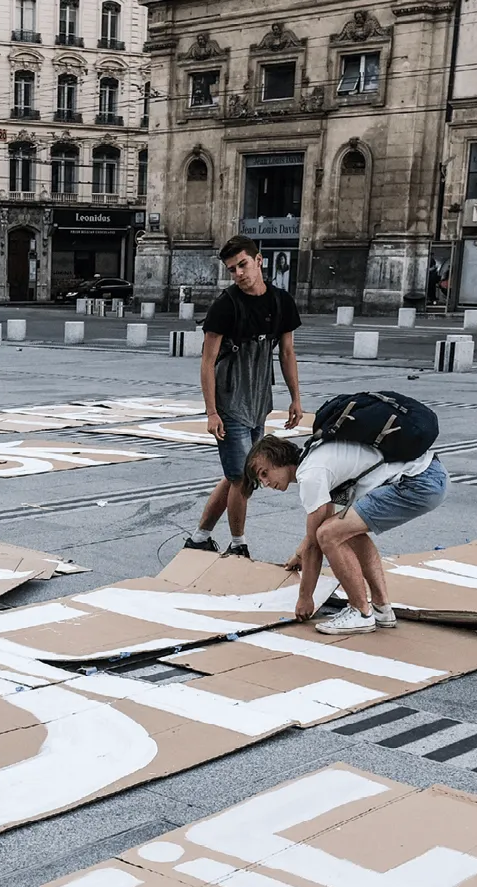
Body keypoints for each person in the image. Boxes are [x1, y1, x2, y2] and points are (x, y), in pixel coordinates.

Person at [245, 431, 449, 635]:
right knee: (343, 531)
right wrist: (299, 555)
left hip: (416, 483)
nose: (265, 483)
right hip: (428, 473)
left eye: (264, 473)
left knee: (328, 534)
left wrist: (305, 597)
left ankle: (360, 612)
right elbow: (322, 523)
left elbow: (317, 542)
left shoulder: (311, 474)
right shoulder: (314, 455)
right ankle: (381, 608)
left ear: (279, 459)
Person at [185, 235, 303, 560]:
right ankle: (238, 545)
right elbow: (207, 361)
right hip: (230, 403)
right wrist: (211, 412)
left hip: (259, 404)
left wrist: (295, 399)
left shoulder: (281, 302)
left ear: (259, 260)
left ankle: (200, 536)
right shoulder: (226, 305)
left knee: (237, 474)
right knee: (242, 478)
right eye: (232, 269)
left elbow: (288, 352)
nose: (238, 273)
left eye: (242, 265)